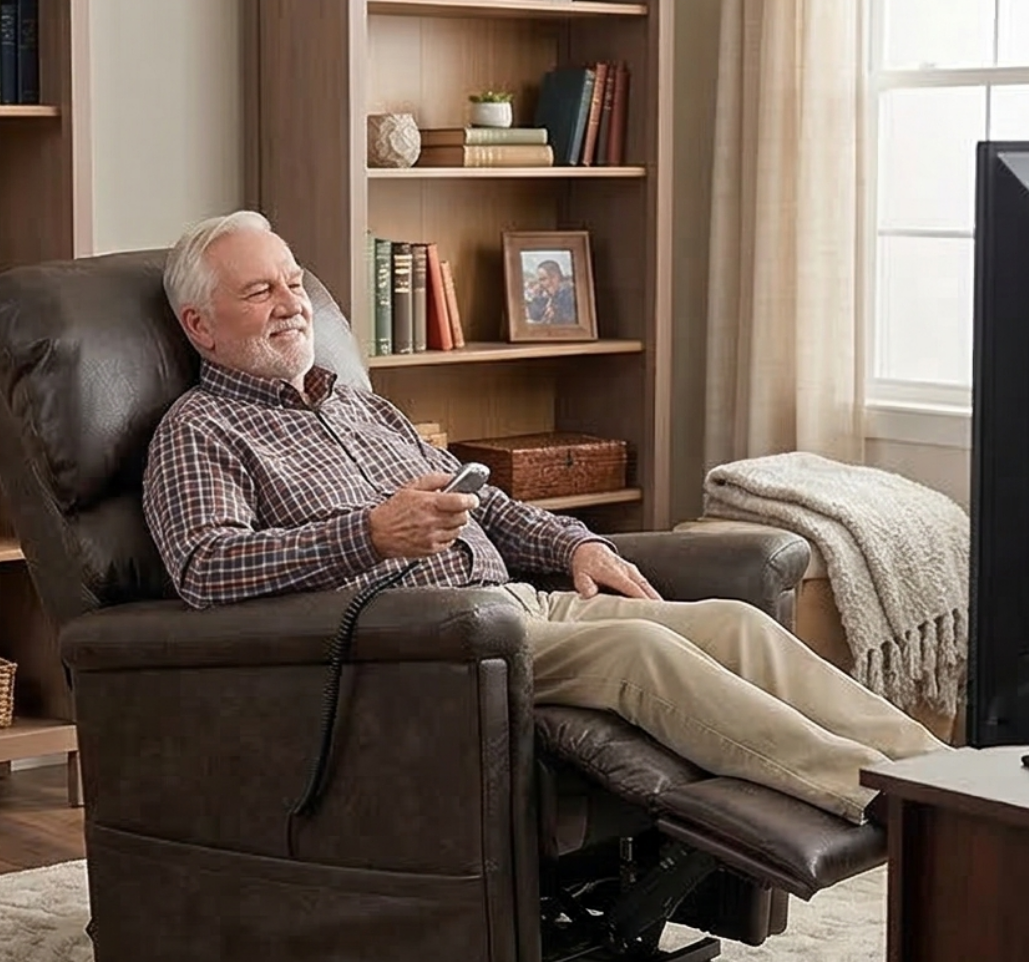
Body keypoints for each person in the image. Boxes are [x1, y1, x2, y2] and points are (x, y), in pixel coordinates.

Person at [143, 211, 947, 827]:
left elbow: (484, 502)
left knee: (733, 623)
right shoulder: (199, 431)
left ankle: (948, 775)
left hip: (523, 606)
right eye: (260, 291)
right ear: (199, 325)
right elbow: (206, 567)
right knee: (639, 649)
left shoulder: (358, 404)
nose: (292, 305)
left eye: (293, 282)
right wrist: (372, 533)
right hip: (422, 645)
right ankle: (886, 799)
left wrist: (576, 545)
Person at [526, 259, 577, 325]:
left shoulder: (570, 296)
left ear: (555, 278)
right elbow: (535, 313)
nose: (540, 284)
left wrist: (556, 314)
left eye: (543, 279)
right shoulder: (545, 296)